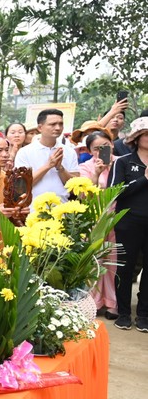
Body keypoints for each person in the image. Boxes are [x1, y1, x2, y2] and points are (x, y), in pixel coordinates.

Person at [108, 116, 148, 332]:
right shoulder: (123, 162)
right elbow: (115, 192)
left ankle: (144, 314)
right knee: (125, 268)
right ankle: (123, 313)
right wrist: (144, 179)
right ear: (137, 138)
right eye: (147, 134)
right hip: (128, 222)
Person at [79, 130, 118, 320]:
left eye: (106, 146)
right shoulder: (85, 167)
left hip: (118, 217)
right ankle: (93, 302)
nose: (101, 150)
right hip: (95, 220)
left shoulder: (122, 162)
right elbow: (84, 195)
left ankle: (112, 303)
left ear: (112, 144)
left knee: (114, 261)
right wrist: (96, 173)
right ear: (89, 151)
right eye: (96, 148)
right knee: (95, 262)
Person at [15, 108, 80, 202]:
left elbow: (75, 188)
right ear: (40, 128)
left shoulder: (69, 152)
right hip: (34, 208)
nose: (58, 128)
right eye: (52, 124)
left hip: (62, 207)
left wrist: (60, 168)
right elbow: (22, 186)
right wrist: (48, 166)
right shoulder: (24, 152)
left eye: (61, 124)